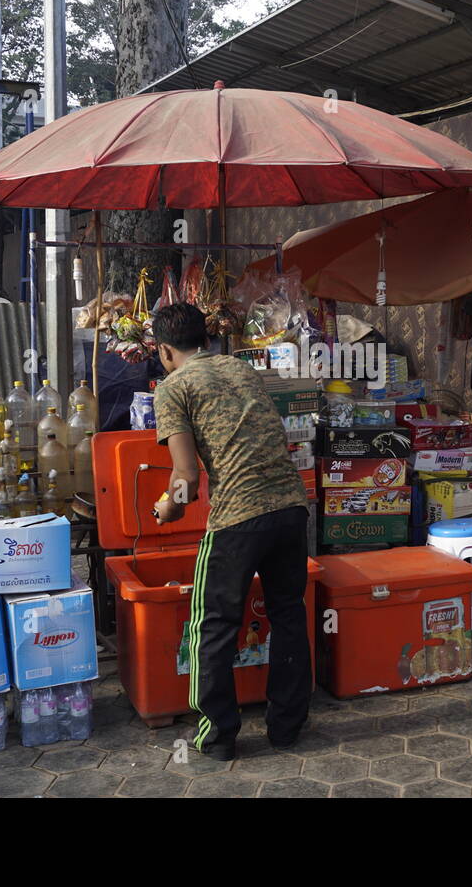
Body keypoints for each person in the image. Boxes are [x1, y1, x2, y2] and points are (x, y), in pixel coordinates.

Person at [151, 303, 310, 761]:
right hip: (291, 509)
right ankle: (287, 728)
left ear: (164, 351)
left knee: (213, 624)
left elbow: (186, 480)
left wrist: (167, 510)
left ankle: (217, 738)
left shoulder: (173, 387)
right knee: (288, 616)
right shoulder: (241, 370)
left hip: (240, 516)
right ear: (205, 339)